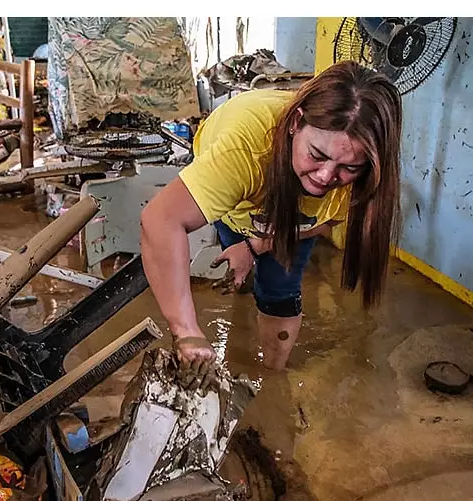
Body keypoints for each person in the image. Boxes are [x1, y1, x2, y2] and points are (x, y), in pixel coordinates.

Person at [140, 61, 403, 383]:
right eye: (317, 155)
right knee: (233, 250)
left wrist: (255, 246)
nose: (326, 176)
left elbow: (323, 222)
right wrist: (187, 332)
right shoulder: (243, 151)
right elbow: (160, 219)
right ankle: (241, 273)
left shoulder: (368, 180)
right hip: (238, 193)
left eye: (348, 167)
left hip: (294, 221)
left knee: (280, 288)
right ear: (295, 123)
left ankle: (272, 376)